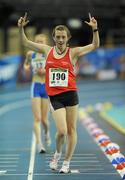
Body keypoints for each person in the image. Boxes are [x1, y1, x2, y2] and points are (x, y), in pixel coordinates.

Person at [18, 12, 100, 173]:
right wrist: (21, 28)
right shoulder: (46, 50)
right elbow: (25, 42)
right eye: (58, 37)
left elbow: (95, 45)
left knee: (72, 130)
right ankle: (57, 153)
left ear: (67, 38)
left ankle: (67, 162)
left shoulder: (73, 53)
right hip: (55, 96)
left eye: (63, 37)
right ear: (54, 38)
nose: (61, 40)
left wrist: (95, 29)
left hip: (71, 94)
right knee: (61, 131)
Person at [23, 33, 51, 153]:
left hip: (46, 87)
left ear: (45, 43)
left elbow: (53, 68)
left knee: (44, 120)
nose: (39, 44)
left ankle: (47, 132)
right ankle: (39, 143)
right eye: (37, 42)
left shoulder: (48, 54)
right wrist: (26, 67)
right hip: (35, 86)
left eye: (42, 42)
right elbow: (26, 64)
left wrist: (44, 71)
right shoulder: (30, 54)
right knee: (37, 118)